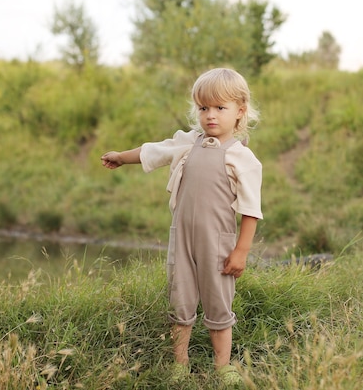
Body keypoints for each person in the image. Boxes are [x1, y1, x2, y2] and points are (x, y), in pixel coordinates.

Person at [101, 68, 263, 386]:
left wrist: (241, 251)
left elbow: (250, 211)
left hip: (217, 242)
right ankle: (180, 362)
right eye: (203, 108)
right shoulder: (189, 143)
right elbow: (154, 151)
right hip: (181, 238)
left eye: (220, 108)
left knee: (218, 302)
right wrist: (122, 156)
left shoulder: (242, 158)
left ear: (240, 111)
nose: (210, 116)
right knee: (180, 300)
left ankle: (222, 366)